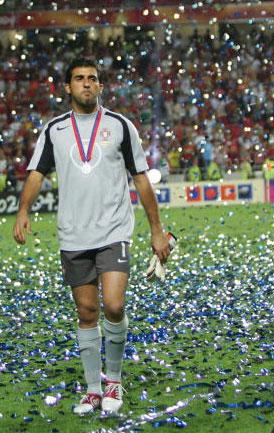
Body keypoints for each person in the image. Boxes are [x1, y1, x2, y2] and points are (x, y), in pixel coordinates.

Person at [13, 58, 170, 415]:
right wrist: (23, 210)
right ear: (67, 87)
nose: (87, 84)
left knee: (113, 305)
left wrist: (156, 230)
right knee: (86, 312)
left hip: (114, 231)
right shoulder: (54, 130)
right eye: (79, 79)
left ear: (100, 87)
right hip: (73, 234)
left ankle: (113, 379)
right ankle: (93, 388)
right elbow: (37, 172)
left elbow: (142, 178)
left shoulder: (120, 126)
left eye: (93, 79)